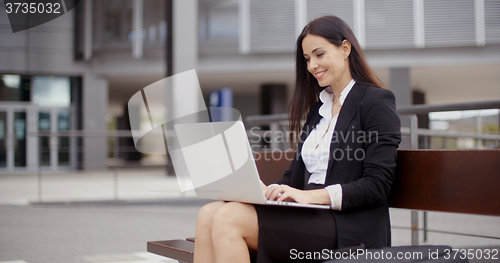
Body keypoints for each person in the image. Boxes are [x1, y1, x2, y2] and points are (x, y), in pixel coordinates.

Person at [193, 15, 401, 263]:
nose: (312, 65)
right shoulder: (319, 110)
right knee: (209, 213)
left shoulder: (375, 101)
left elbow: (378, 185)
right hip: (310, 215)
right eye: (307, 59)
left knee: (228, 219)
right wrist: (270, 192)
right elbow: (295, 176)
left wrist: (310, 196)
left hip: (349, 227)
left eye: (319, 54)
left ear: (345, 49)